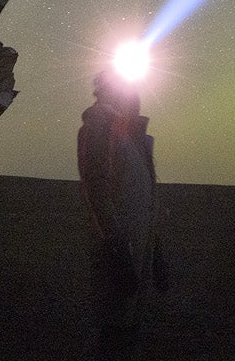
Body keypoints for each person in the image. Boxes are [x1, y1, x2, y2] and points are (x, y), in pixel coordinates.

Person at [76, 68, 167, 358]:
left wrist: (156, 252)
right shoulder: (100, 128)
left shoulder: (131, 136)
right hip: (118, 253)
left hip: (135, 253)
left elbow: (147, 200)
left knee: (126, 334)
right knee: (112, 334)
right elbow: (96, 189)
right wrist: (117, 249)